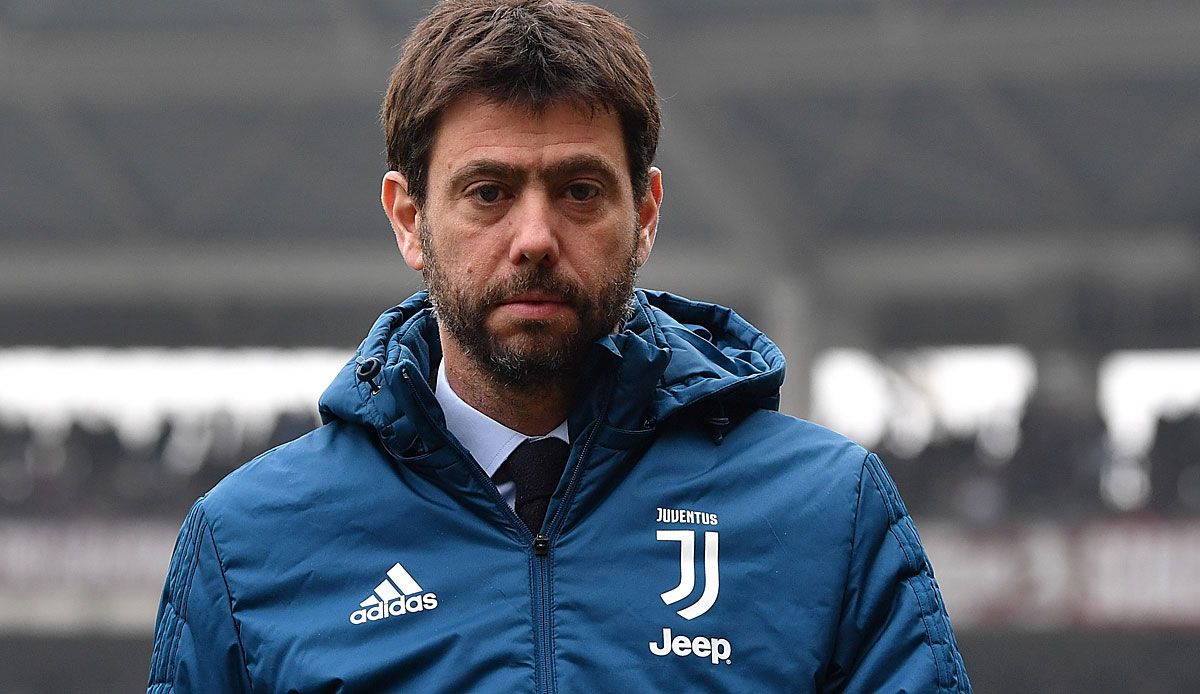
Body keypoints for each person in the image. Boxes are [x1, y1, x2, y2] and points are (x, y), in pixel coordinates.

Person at [148, 1, 971, 691]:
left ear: (644, 215)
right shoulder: (249, 545)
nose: (535, 238)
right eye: (488, 192)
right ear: (409, 219)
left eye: (579, 191)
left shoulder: (826, 513)